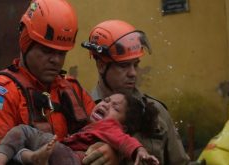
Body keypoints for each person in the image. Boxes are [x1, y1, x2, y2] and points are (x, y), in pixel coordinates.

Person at [0, 0, 101, 164]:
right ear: (26, 42)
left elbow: (106, 131)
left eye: (62, 53)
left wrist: (109, 150)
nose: (56, 60)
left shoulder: (71, 88)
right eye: (47, 51)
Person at [81, 20, 190, 165]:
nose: (133, 73)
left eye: (136, 64)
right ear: (101, 65)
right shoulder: (82, 111)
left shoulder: (156, 111)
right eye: (124, 65)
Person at [0, 92, 160, 165]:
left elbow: (124, 140)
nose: (106, 105)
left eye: (115, 108)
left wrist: (140, 151)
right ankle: (34, 158)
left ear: (122, 126)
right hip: (58, 156)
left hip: (69, 157)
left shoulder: (110, 126)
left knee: (23, 132)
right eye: (106, 100)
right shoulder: (89, 123)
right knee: (20, 151)